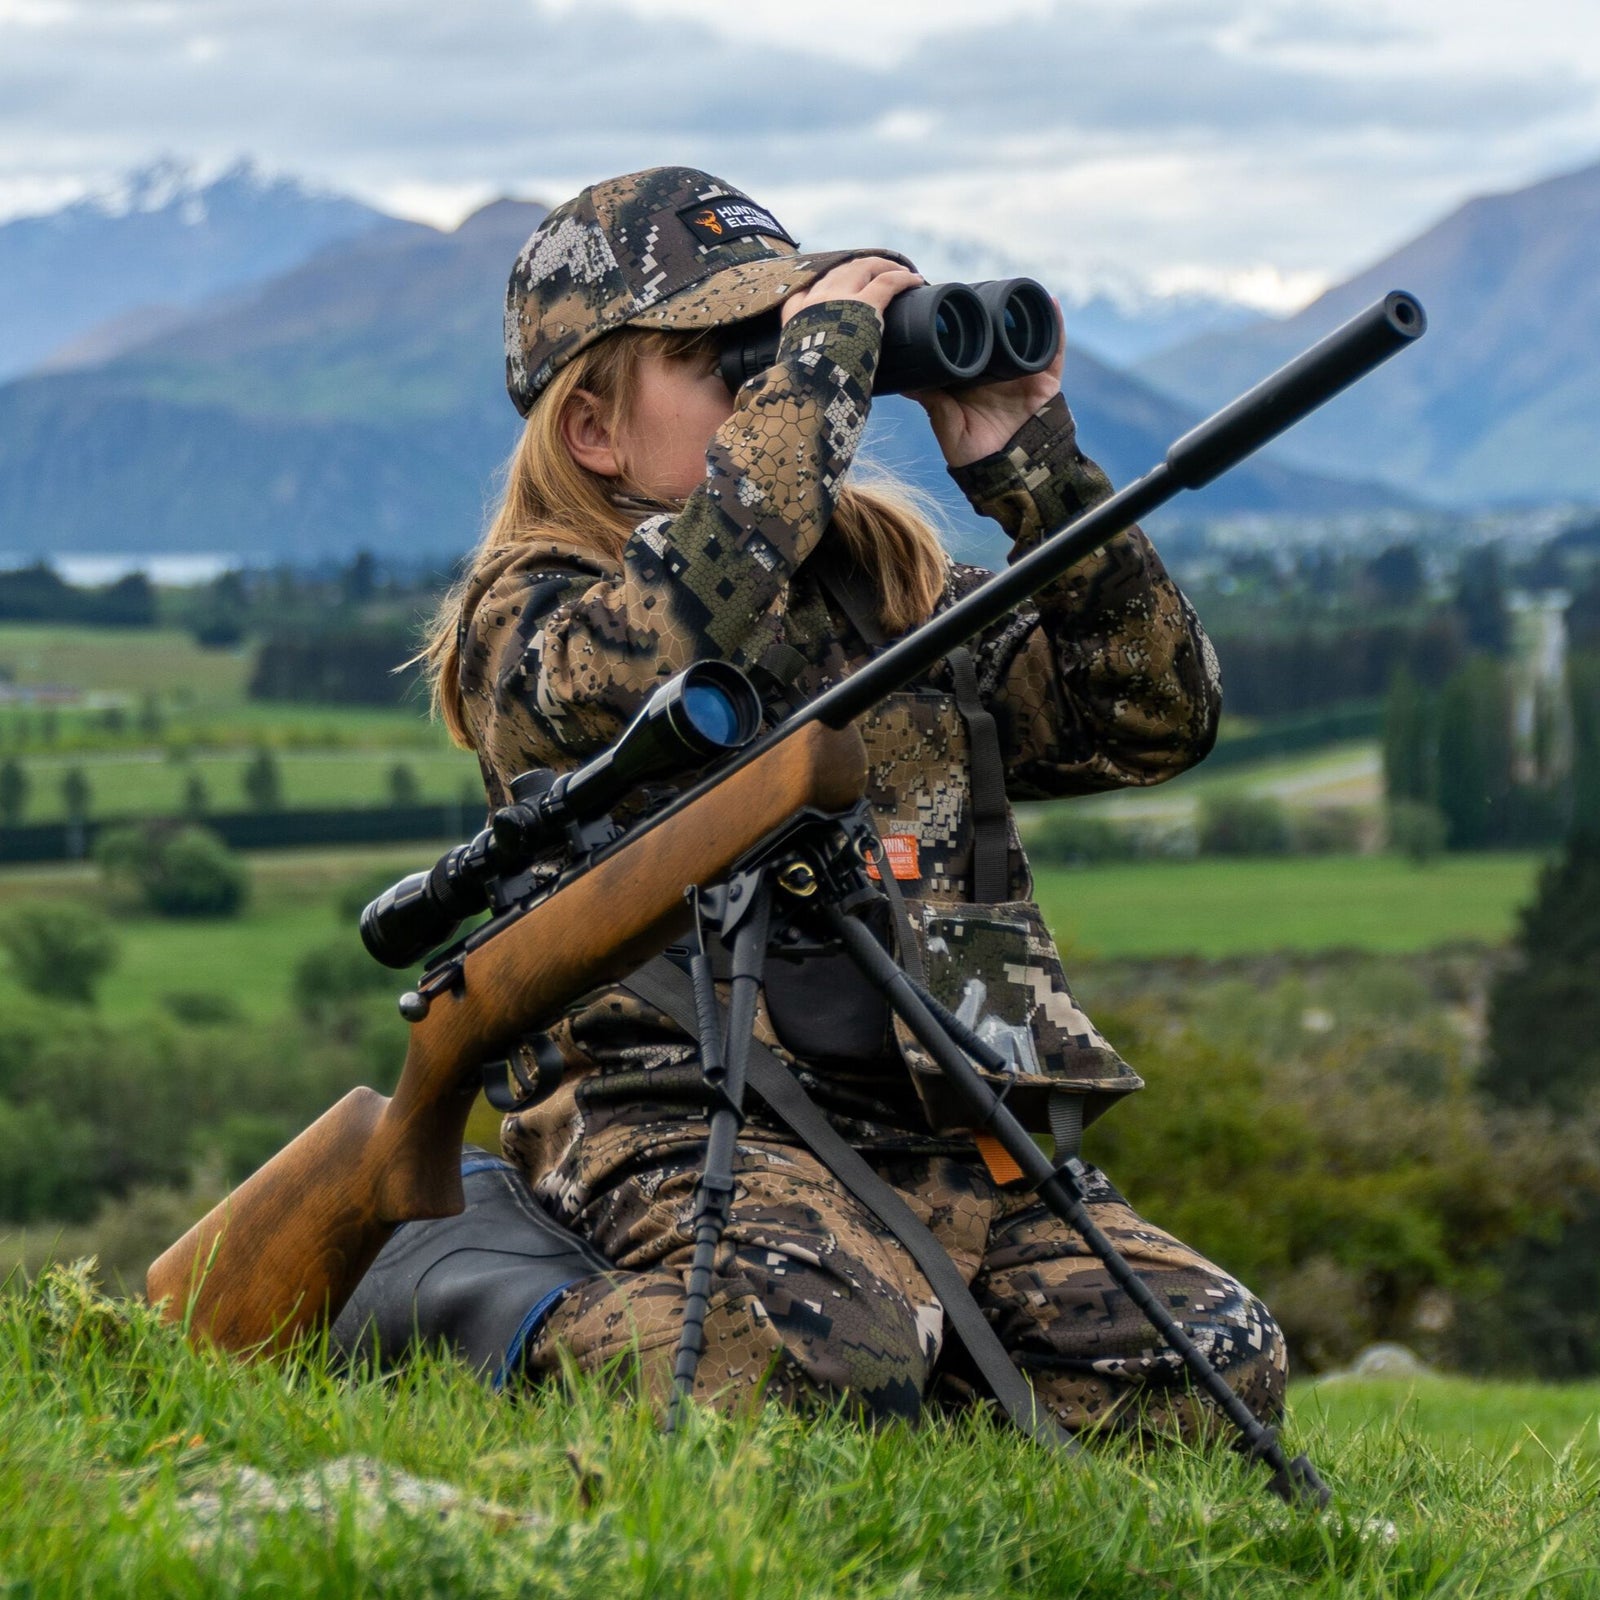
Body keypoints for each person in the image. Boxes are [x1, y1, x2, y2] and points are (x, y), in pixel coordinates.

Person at [335, 166, 1285, 1438]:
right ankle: (471, 1306)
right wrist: (816, 374)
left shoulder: (886, 594)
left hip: (946, 1122)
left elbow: (1150, 715)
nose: (781, 381)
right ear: (593, 431)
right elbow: (663, 644)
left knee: (1212, 1362)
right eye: (730, 359)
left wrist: (1033, 465)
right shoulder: (535, 618)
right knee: (812, 1348)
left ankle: (907, 1364)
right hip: (683, 1119)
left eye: (783, 340)